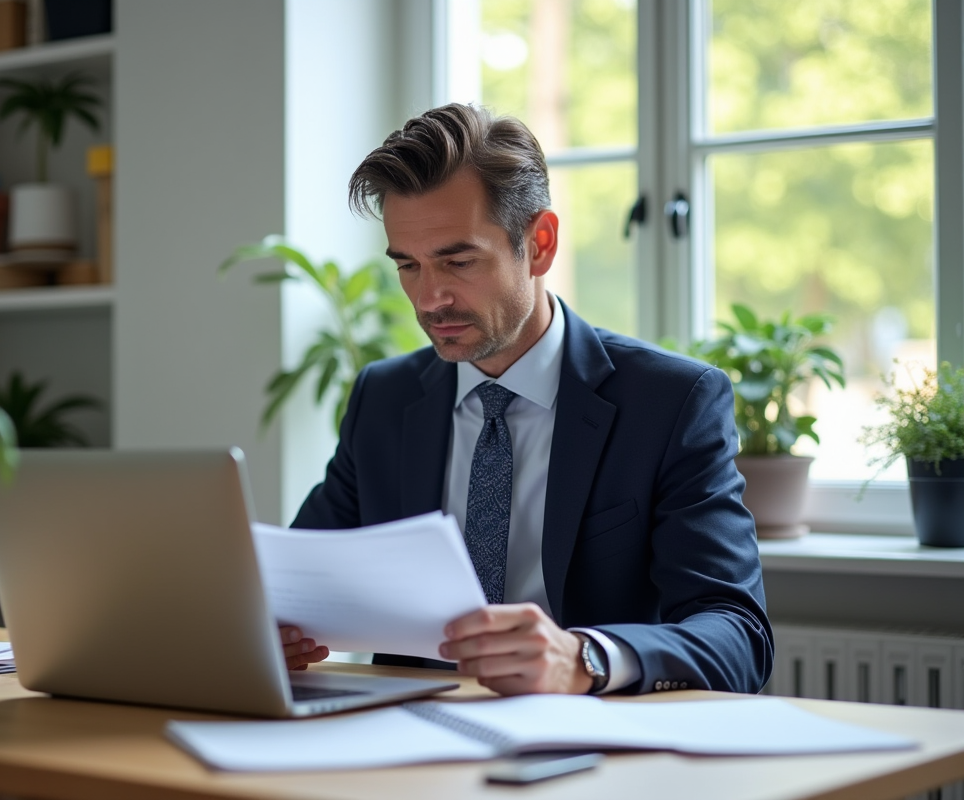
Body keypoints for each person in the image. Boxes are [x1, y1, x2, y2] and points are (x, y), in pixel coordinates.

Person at [279, 103, 773, 696]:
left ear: (539, 244)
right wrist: (270, 627)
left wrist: (585, 657)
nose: (429, 298)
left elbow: (739, 635)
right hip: (411, 740)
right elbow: (295, 583)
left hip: (590, 749)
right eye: (407, 265)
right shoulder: (384, 400)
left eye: (458, 261)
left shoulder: (670, 403)